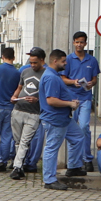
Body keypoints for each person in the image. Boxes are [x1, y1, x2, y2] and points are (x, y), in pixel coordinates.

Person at [38, 47, 81, 189]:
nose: (66, 64)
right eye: (63, 61)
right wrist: (70, 103)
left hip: (64, 118)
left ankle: (74, 166)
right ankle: (49, 180)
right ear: (54, 61)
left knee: (78, 137)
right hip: (55, 119)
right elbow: (51, 100)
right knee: (52, 148)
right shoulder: (51, 77)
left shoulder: (54, 75)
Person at [7, 48, 47, 180]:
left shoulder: (47, 74)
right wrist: (14, 97)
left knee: (25, 141)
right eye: (31, 62)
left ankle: (17, 167)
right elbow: (19, 88)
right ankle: (19, 165)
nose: (33, 65)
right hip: (18, 109)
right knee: (18, 141)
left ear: (42, 60)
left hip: (34, 113)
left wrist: (37, 100)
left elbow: (49, 96)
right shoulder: (24, 71)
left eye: (35, 62)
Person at [65, 32, 101, 141]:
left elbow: (95, 79)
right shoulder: (68, 59)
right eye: (77, 42)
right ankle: (74, 154)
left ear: (85, 43)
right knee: (71, 126)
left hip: (86, 97)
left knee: (84, 126)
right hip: (71, 98)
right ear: (73, 43)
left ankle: (86, 155)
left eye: (81, 42)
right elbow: (62, 78)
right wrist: (73, 82)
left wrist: (91, 83)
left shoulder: (92, 60)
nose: (79, 44)